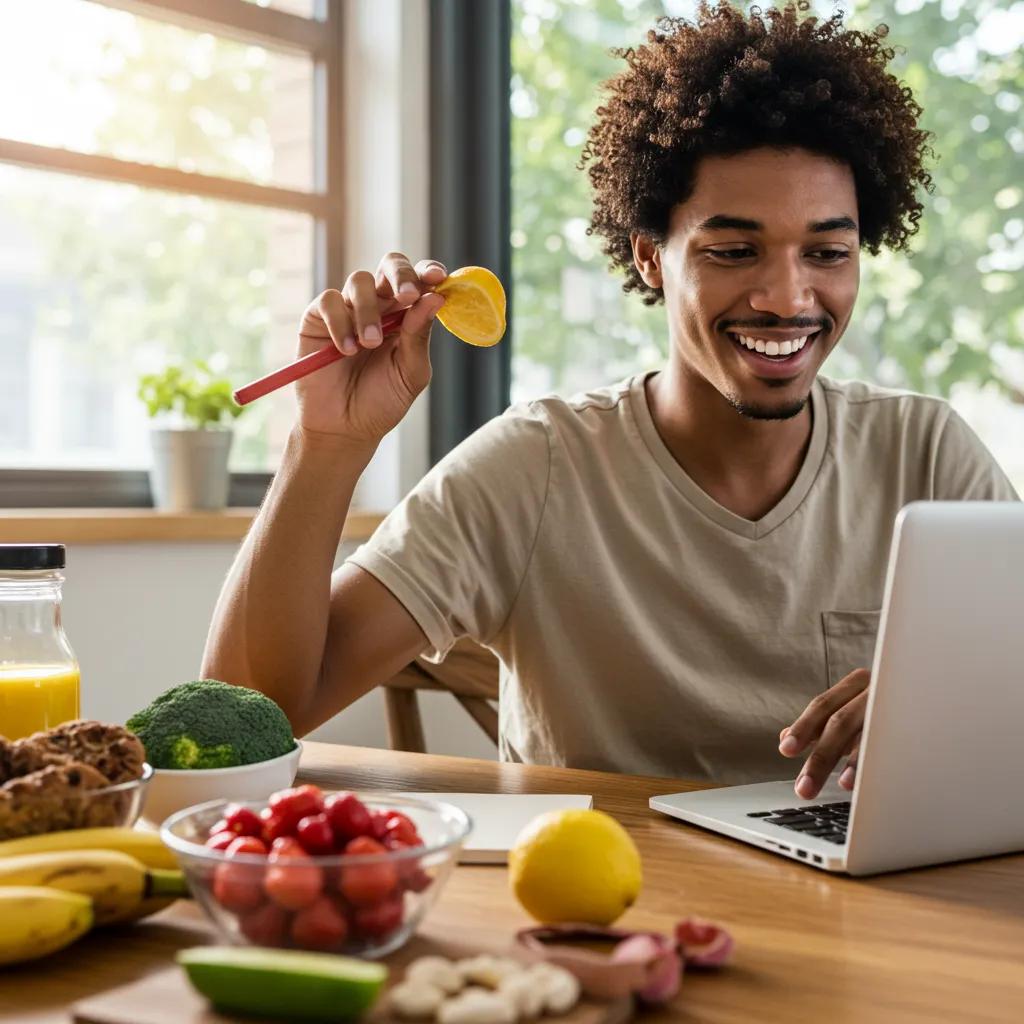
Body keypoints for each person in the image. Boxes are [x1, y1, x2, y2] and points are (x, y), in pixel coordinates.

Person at [202, 1, 1017, 800]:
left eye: (828, 251)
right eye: (734, 250)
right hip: (598, 906)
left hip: (873, 914)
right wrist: (328, 443)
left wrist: (949, 705)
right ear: (651, 258)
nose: (786, 296)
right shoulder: (535, 469)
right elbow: (243, 718)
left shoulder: (926, 452)